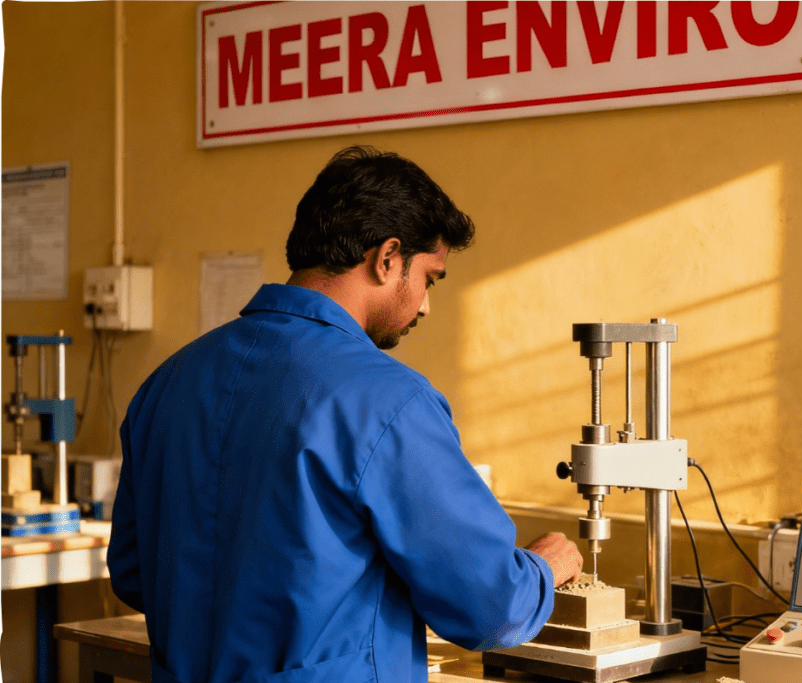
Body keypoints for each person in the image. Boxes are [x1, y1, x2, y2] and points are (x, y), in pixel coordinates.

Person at [107, 146, 583, 683]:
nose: (425, 305)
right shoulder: (388, 402)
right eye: (430, 278)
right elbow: (491, 607)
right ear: (387, 258)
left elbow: (133, 575)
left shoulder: (167, 382)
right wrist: (543, 569)